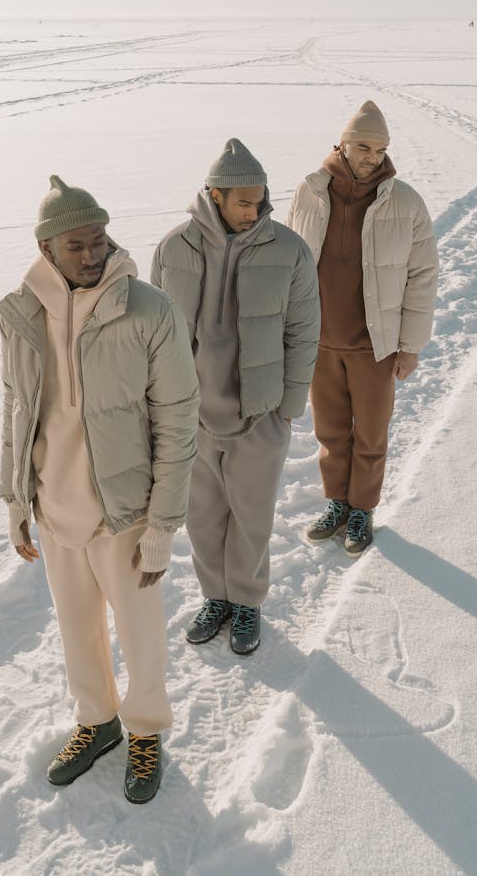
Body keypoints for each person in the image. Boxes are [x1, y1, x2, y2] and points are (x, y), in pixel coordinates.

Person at [0, 175, 199, 803]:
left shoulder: (148, 309)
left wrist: (164, 523)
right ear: (47, 247)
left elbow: (178, 416)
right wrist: (14, 498)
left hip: (126, 509)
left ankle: (144, 729)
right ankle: (97, 721)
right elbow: (15, 408)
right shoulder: (21, 312)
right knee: (76, 626)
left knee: (139, 631)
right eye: (77, 246)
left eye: (100, 241)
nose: (92, 256)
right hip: (55, 505)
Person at [151, 139, 320, 655]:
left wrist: (288, 408)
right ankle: (215, 598)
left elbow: (303, 331)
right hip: (192, 416)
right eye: (244, 202)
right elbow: (152, 336)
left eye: (260, 201)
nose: (255, 211)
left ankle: (246, 601)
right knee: (203, 516)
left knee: (252, 515)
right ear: (214, 195)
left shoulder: (289, 250)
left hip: (259, 413)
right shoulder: (173, 248)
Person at [287, 101, 438, 555]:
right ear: (343, 144)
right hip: (319, 341)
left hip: (376, 344)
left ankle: (362, 510)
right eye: (363, 146)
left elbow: (423, 276)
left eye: (380, 148)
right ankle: (337, 503)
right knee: (331, 433)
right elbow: (291, 263)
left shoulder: (404, 201)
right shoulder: (310, 191)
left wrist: (410, 346)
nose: (372, 156)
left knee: (370, 434)